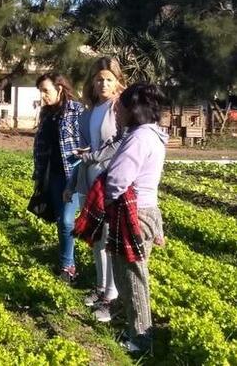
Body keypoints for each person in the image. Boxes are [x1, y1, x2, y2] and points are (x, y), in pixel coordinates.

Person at [105, 83, 167, 354]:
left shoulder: (139, 138)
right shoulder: (152, 135)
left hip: (134, 214)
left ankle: (141, 340)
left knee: (133, 278)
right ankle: (132, 328)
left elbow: (118, 178)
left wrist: (107, 198)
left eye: (121, 107)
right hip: (147, 211)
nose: (117, 112)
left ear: (135, 109)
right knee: (129, 274)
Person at [65, 57, 126, 321]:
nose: (103, 83)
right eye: (99, 79)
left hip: (110, 181)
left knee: (109, 238)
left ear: (117, 83)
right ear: (93, 82)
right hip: (90, 179)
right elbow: (86, 149)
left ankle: (112, 296)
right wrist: (73, 181)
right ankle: (101, 288)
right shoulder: (91, 111)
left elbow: (122, 143)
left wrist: (93, 155)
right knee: (96, 238)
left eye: (109, 79)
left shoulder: (119, 109)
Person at [33, 72, 83, 283]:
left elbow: (86, 141)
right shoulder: (46, 113)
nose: (43, 95)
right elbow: (40, 146)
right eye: (41, 91)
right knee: (60, 220)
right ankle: (66, 261)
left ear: (59, 88)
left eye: (46, 90)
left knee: (65, 220)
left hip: (72, 174)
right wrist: (38, 176)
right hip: (52, 174)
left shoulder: (77, 111)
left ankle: (68, 266)